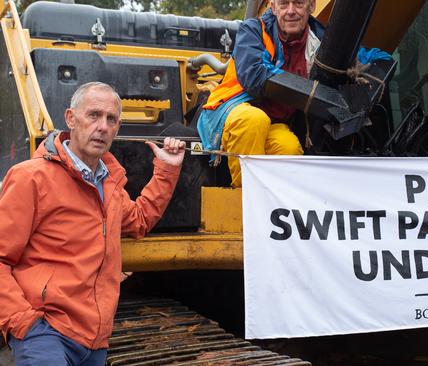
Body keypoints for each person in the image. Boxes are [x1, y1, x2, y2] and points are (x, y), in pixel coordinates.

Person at [0, 82, 185, 366]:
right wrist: (24, 323)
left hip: (94, 342)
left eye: (111, 119)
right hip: (46, 333)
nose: (102, 126)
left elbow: (138, 221)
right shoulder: (31, 178)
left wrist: (168, 169)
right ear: (71, 119)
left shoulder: (108, 184)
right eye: (94, 115)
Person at [198, 0, 325, 187]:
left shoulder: (322, 39)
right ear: (273, 7)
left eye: (298, 3)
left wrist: (378, 62)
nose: (291, 11)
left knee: (288, 147)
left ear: (312, 6)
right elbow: (254, 76)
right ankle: (245, 197)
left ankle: (277, 207)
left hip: (273, 122)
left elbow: (359, 57)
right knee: (253, 120)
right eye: (283, 4)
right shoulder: (253, 30)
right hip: (230, 110)